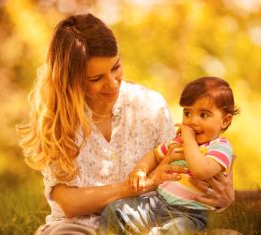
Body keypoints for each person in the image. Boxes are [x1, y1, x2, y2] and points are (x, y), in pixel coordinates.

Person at [17, 13, 235, 235]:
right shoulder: (57, 122)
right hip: (79, 227)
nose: (112, 84)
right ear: (72, 80)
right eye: (96, 78)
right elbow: (70, 204)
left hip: (144, 220)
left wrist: (224, 194)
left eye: (115, 67)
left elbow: (187, 164)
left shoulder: (150, 106)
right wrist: (145, 183)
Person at [99, 77, 239, 234]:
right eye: (187, 113)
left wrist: (188, 140)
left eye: (203, 115)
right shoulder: (178, 142)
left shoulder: (220, 147)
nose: (192, 121)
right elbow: (155, 155)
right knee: (115, 209)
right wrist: (140, 170)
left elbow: (200, 170)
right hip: (157, 204)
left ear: (225, 121)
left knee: (174, 231)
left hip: (191, 215)